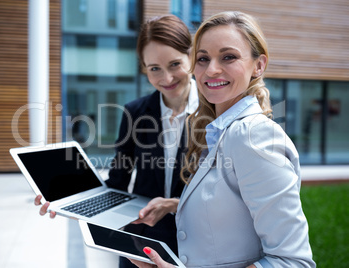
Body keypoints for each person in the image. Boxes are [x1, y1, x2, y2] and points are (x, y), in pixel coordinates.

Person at [130, 11, 316, 268]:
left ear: (259, 65)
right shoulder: (218, 132)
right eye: (203, 58)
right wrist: (175, 205)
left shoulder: (253, 136)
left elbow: (291, 262)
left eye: (228, 57)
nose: (212, 69)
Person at [34, 14, 199, 268]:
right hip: (140, 244)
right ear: (144, 68)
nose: (166, 78)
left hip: (198, 246)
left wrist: (176, 205)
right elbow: (118, 180)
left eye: (175, 64)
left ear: (192, 57)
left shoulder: (216, 112)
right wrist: (67, 198)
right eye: (154, 68)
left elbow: (226, 197)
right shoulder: (135, 112)